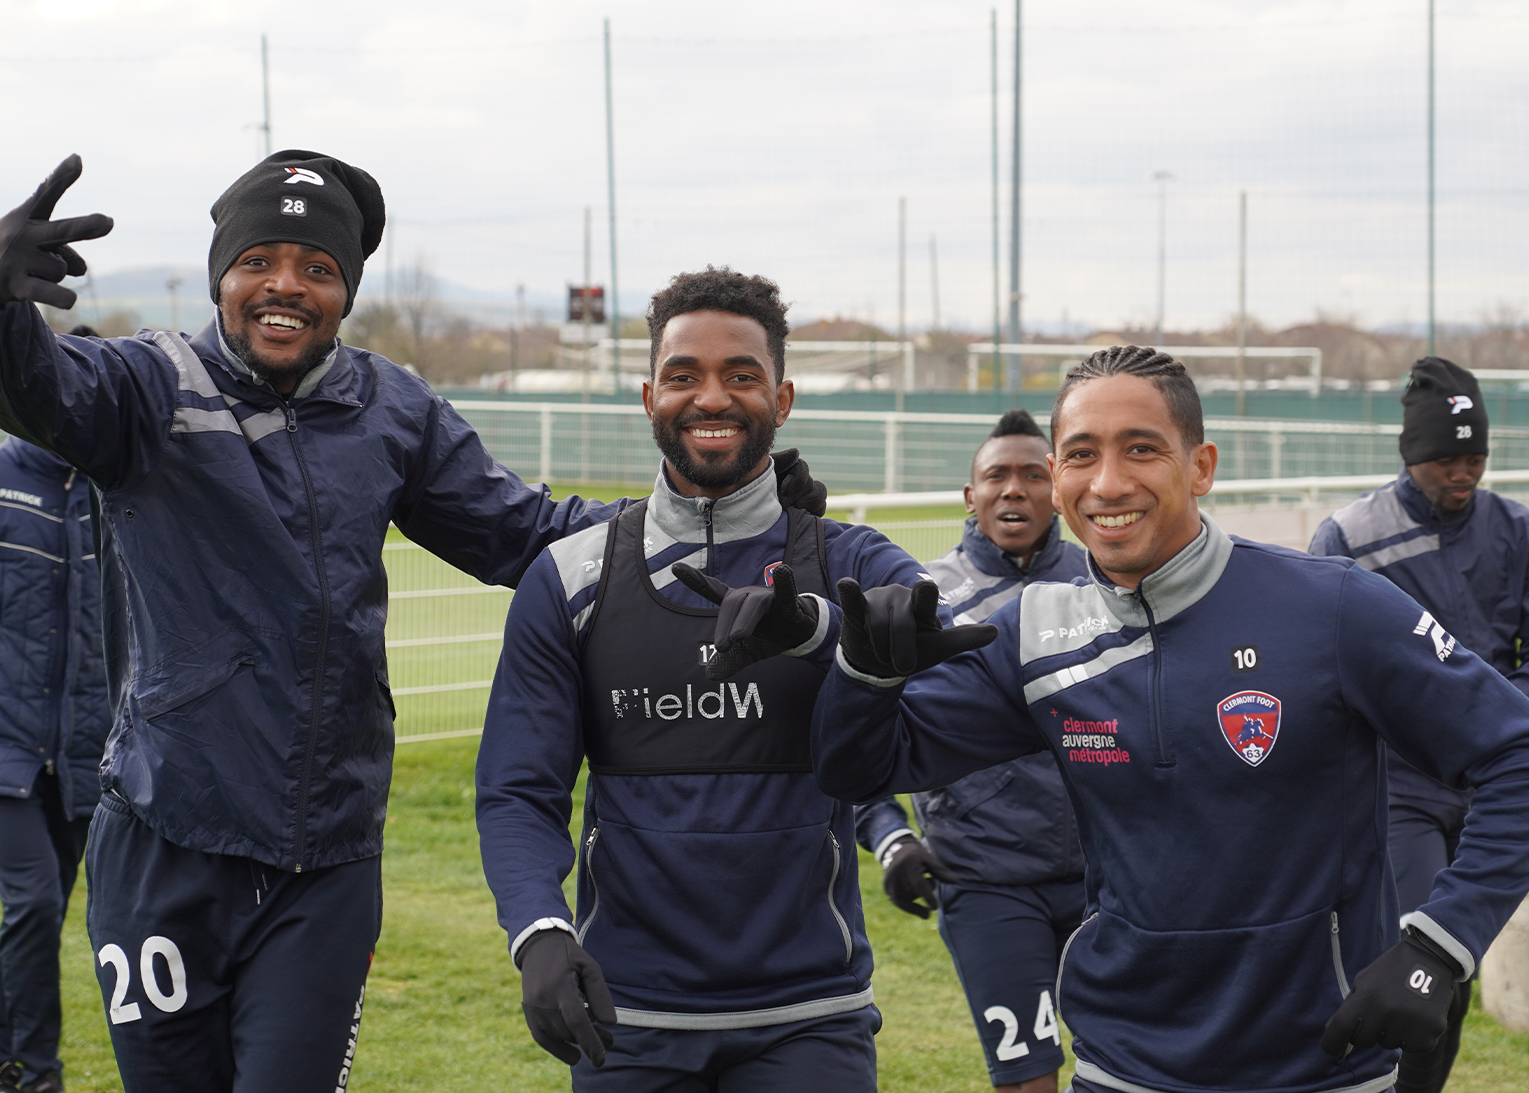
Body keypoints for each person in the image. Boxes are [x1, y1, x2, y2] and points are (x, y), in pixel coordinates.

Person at [0, 156, 823, 1093]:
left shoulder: (390, 409)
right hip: (162, 839)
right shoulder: (148, 387)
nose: (287, 284)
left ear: (346, 293)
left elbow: (521, 531)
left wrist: (708, 516)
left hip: (326, 857)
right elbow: (32, 390)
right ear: (221, 278)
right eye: (260, 261)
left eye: (318, 268)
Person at [808, 345, 1529, 1093]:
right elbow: (862, 768)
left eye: (1142, 449)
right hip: (1123, 1068)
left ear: (1201, 466)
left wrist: (1441, 946)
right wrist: (866, 672)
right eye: (1082, 454)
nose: (1109, 482)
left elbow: (1515, 752)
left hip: (1323, 1066)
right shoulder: (1033, 634)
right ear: (1057, 479)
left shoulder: (1333, 607)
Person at [474, 267, 943, 1091]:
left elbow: (952, 662)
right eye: (684, 375)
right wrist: (540, 930)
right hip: (630, 1019)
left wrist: (833, 636)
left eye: (742, 375)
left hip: (811, 1018)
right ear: (648, 394)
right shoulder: (569, 578)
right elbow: (519, 791)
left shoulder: (851, 562)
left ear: (784, 398)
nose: (712, 397)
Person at [853, 407, 1088, 1093]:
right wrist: (891, 836)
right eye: (996, 476)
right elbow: (856, 732)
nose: (1014, 490)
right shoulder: (925, 599)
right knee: (1028, 1076)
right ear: (971, 495)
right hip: (984, 880)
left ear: (1059, 487)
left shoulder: (1105, 583)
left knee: (1131, 1060)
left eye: (1032, 475)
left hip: (1106, 878)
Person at [1311, 356, 1529, 1093]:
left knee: (1451, 973)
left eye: (1474, 459)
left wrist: (1498, 713)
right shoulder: (1350, 539)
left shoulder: (1515, 530)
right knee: (1419, 956)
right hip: (1399, 786)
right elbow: (1325, 670)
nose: (1461, 474)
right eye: (1445, 460)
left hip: (1494, 775)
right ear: (1411, 456)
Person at [0, 325, 107, 1093]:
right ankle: (34, 1073)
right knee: (33, 899)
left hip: (84, 757)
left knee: (46, 910)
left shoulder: (121, 496)